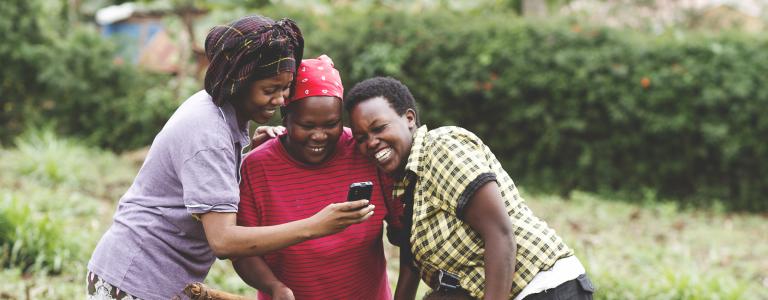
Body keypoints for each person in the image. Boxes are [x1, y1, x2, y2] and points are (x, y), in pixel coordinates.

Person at [87, 16, 375, 300]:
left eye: (285, 88)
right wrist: (316, 225)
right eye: (269, 90)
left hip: (157, 278)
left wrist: (242, 158)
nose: (280, 100)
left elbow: (206, 180)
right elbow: (224, 240)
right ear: (239, 82)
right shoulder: (209, 131)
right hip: (134, 280)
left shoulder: (220, 112)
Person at [345, 77, 595, 300]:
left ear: (409, 118)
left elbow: (499, 232)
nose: (372, 142)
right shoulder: (408, 185)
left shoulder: (441, 148)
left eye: (379, 128)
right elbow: (411, 264)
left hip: (543, 287)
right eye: (362, 138)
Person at [233, 55, 403, 300]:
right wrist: (273, 287)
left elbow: (404, 230)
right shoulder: (256, 168)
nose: (319, 136)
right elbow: (242, 251)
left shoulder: (365, 152)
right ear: (286, 116)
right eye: (307, 125)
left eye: (331, 124)